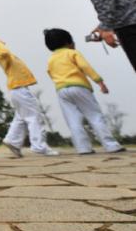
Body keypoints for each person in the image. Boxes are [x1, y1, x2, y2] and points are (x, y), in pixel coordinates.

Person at [43, 27, 125, 155]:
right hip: (79, 87)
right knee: (94, 116)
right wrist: (100, 82)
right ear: (68, 42)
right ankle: (110, 145)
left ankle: (83, 148)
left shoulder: (51, 59)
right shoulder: (72, 53)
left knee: (73, 120)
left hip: (61, 90)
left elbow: (50, 73)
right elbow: (85, 67)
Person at [0, 35, 57, 158]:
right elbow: (4, 50)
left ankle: (13, 140)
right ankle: (39, 146)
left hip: (16, 90)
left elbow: (3, 51)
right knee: (34, 116)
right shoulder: (2, 55)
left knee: (21, 117)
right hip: (19, 90)